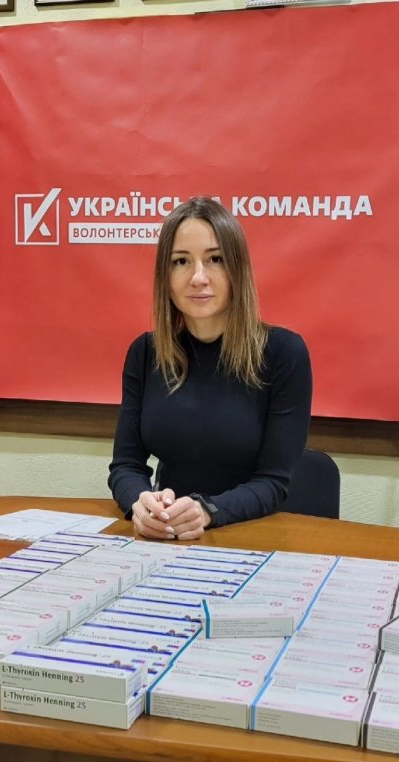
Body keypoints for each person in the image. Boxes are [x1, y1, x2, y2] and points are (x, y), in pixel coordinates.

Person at [108, 196, 312, 540]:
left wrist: (206, 511)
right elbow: (125, 465)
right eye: (181, 261)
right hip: (170, 535)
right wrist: (139, 504)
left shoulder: (284, 353)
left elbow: (273, 482)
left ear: (237, 269)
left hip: (251, 535)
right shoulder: (145, 352)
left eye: (215, 259)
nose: (198, 277)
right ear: (165, 276)